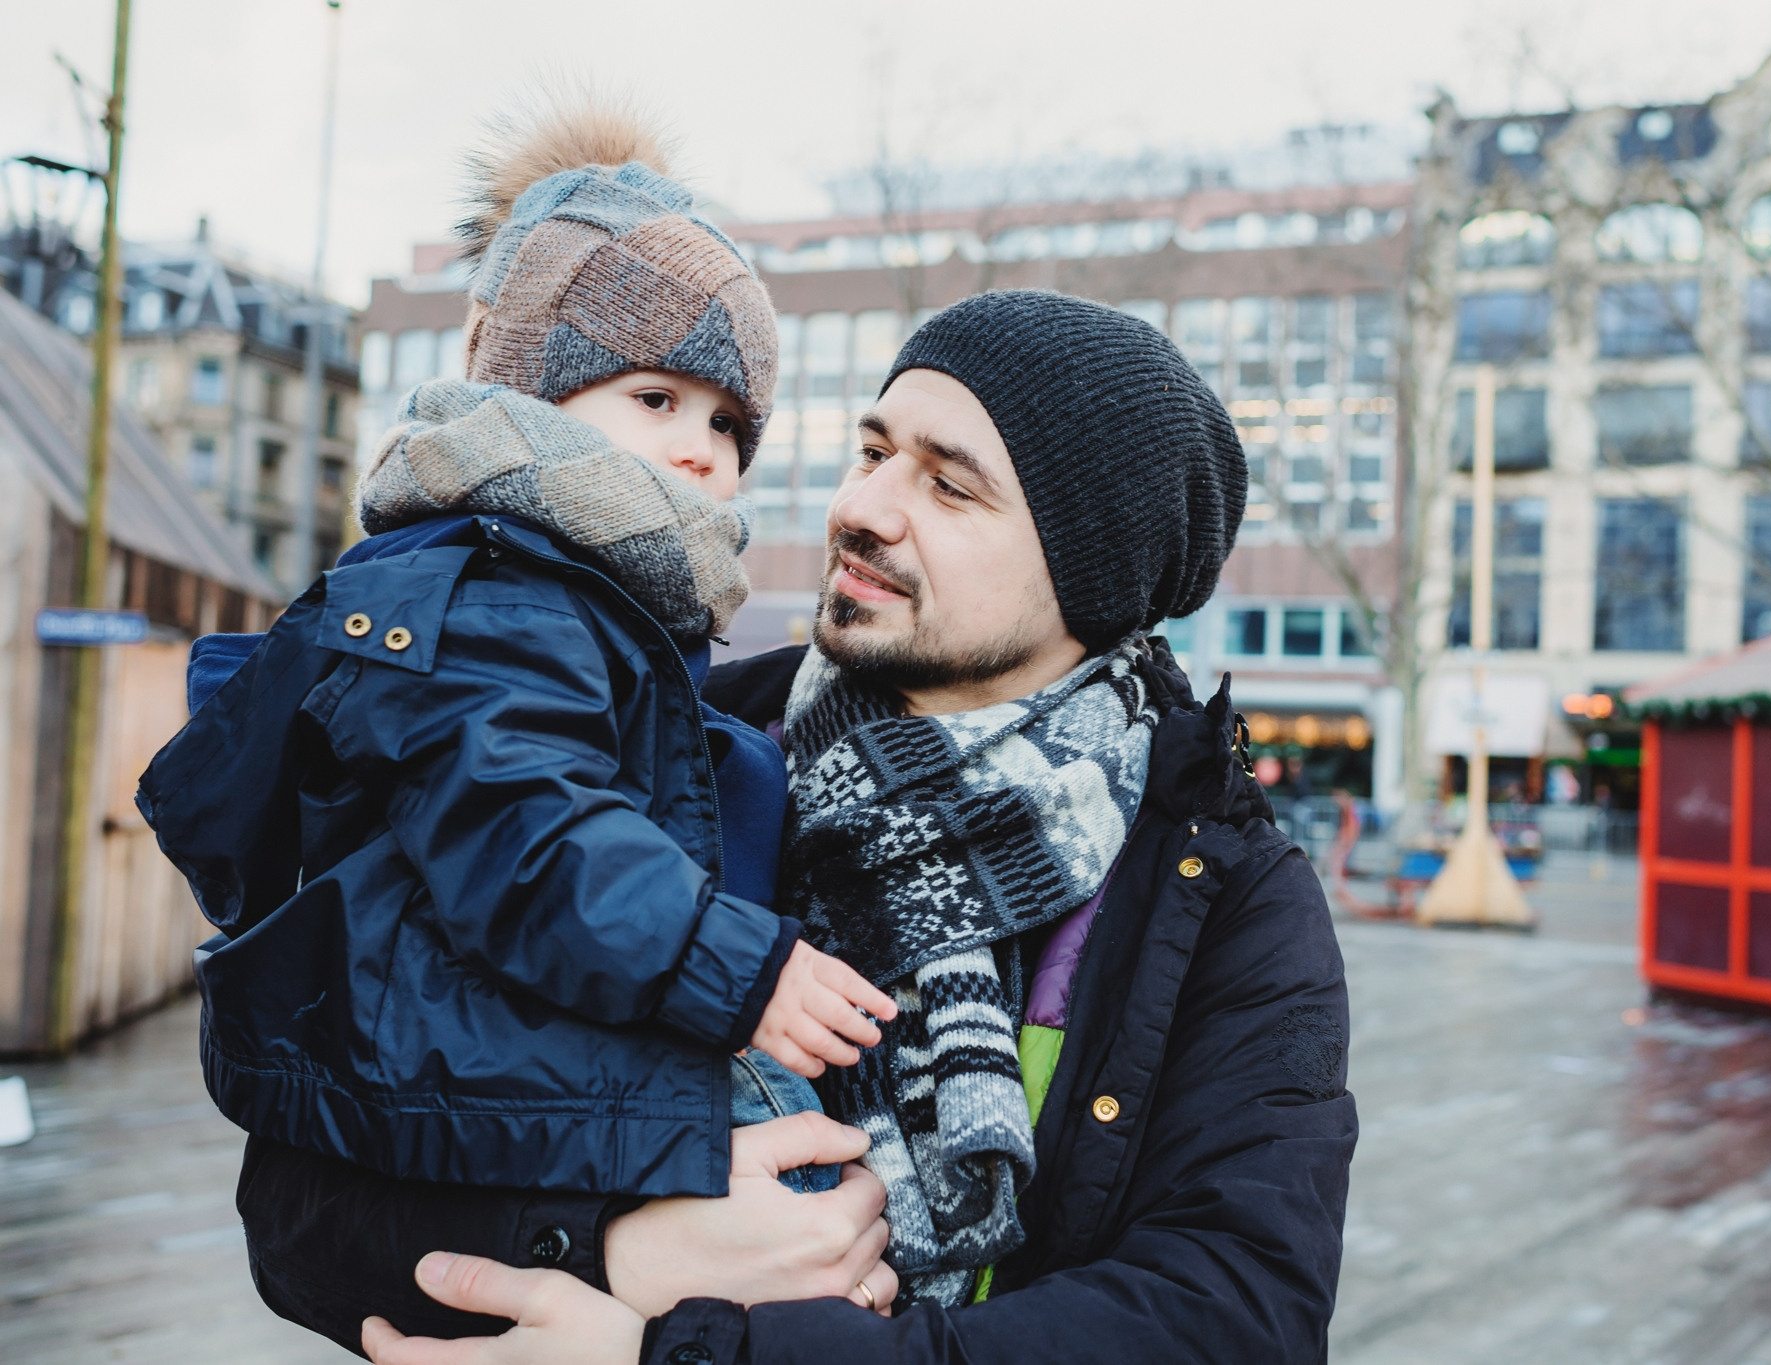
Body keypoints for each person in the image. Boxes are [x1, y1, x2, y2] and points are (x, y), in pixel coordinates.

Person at [293, 289, 1358, 1363]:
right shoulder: (644, 751)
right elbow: (300, 1201)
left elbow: (1232, 1317)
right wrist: (617, 1259)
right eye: (872, 450)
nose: (865, 507)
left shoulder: (1222, 891)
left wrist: (678, 1353)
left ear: (1090, 576)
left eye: (947, 486)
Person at [136, 101, 900, 1340]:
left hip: (541, 1073)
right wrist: (736, 966)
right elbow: (526, 826)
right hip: (516, 1071)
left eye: (725, 423)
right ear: (533, 393)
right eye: (654, 399)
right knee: (786, 1151)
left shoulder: (593, 608)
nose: (702, 451)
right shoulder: (504, 594)